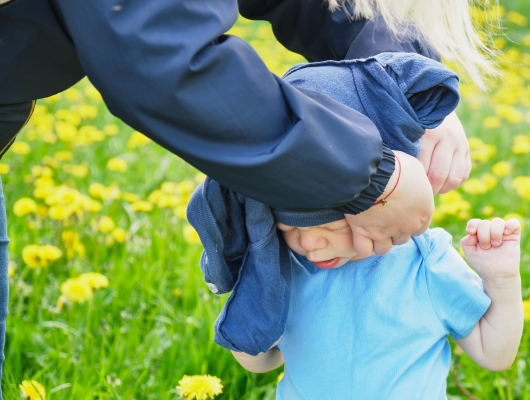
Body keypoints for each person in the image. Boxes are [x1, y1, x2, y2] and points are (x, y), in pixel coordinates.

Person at [0, 0, 494, 392]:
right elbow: (162, 55)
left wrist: (409, 79)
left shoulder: (424, 265)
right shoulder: (293, 273)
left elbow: (325, 6)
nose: (319, 244)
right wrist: (371, 180)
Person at [231, 156, 523, 398]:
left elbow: (494, 355)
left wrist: (502, 279)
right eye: (289, 229)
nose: (309, 244)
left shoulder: (424, 265)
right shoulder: (283, 269)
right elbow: (269, 361)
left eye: (331, 228)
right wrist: (248, 345)